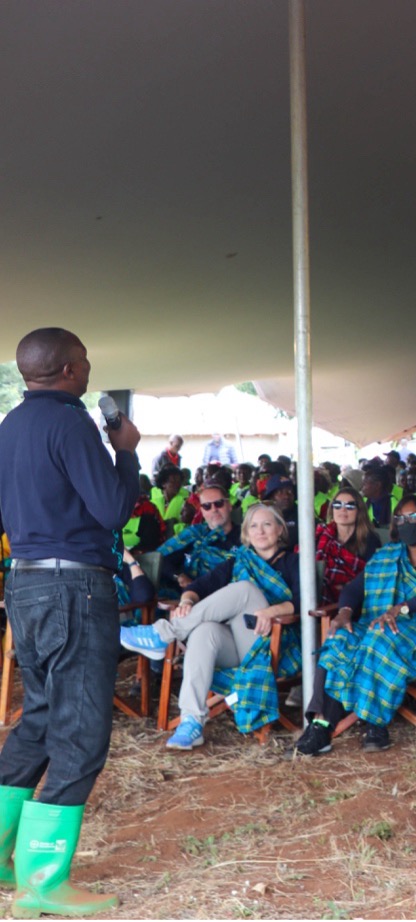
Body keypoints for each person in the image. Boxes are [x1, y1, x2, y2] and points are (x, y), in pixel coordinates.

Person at [0, 328, 140, 915]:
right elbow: (112, 509)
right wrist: (126, 450)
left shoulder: (9, 426)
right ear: (64, 370)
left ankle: (5, 853)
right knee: (80, 733)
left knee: (37, 718)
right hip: (74, 586)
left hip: (24, 582)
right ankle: (41, 881)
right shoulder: (72, 422)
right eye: (82, 362)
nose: (87, 371)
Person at [120, 504, 302, 751]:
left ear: (280, 530)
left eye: (267, 524)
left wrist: (273, 610)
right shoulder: (239, 561)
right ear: (247, 533)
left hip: (272, 642)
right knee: (205, 631)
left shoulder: (294, 562)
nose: (260, 531)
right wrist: (186, 600)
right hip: (237, 644)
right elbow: (202, 586)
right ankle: (191, 721)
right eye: (254, 526)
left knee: (245, 589)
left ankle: (163, 634)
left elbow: (306, 600)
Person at [295, 495, 416, 755]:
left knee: (378, 637)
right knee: (339, 639)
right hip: (380, 622)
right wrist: (345, 613)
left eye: (412, 518)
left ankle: (375, 724)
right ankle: (321, 725)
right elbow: (353, 588)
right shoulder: (387, 556)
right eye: (400, 518)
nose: (405, 523)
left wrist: (401, 608)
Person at [155, 484, 241, 593]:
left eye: (219, 503)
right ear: (202, 511)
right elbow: (159, 559)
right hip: (183, 597)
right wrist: (179, 576)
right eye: (207, 506)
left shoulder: (246, 536)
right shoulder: (194, 533)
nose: (214, 509)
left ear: (229, 505)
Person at [315, 484, 381, 605]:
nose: (343, 510)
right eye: (337, 505)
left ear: (359, 510)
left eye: (350, 506)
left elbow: (372, 577)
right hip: (320, 599)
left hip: (357, 602)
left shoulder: (370, 539)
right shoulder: (321, 535)